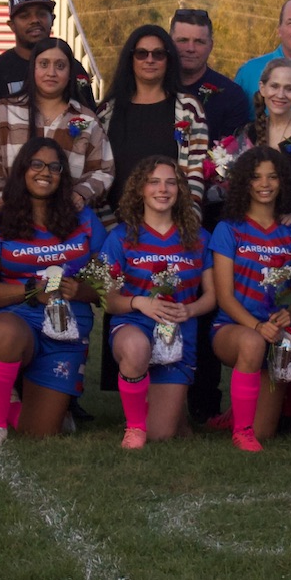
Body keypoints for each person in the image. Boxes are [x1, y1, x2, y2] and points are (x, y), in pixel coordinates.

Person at [0, 136, 104, 445]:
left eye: (54, 167)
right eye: (37, 164)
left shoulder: (83, 219)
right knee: (3, 333)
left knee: (41, 432)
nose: (45, 172)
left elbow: (106, 284)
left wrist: (79, 290)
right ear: (22, 171)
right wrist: (31, 290)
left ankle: (15, 404)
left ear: (63, 176)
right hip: (19, 318)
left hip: (66, 329)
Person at [98, 157, 214, 447]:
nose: (163, 189)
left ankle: (174, 412)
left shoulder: (199, 238)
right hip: (133, 325)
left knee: (161, 434)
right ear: (140, 190)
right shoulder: (120, 237)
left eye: (171, 182)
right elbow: (108, 300)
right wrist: (139, 303)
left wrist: (190, 309)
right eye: (154, 182)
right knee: (136, 348)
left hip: (177, 336)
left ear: (180, 190)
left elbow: (212, 297)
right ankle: (134, 427)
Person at [208, 146, 291, 452]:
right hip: (233, 329)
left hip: (276, 333)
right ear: (244, 183)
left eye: (272, 177)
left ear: (282, 182)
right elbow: (224, 296)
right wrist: (256, 326)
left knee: (267, 432)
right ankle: (242, 431)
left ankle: (237, 416)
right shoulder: (229, 229)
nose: (265, 184)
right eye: (256, 177)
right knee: (252, 343)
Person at [0, 37, 112, 212]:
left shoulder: (86, 120)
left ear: (70, 74)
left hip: (67, 220)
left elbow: (104, 169)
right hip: (13, 217)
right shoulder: (4, 112)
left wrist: (81, 194)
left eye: (60, 66)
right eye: (44, 64)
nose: (51, 72)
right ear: (33, 69)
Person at [98, 24, 211, 214]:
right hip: (115, 230)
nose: (150, 60)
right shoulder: (106, 112)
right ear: (130, 59)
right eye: (142, 53)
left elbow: (195, 173)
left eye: (158, 54)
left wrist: (187, 223)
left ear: (168, 59)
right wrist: (109, 230)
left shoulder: (189, 109)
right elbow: (97, 174)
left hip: (174, 229)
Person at [215, 59, 291, 210]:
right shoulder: (249, 132)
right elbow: (235, 181)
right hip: (252, 221)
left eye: (289, 88)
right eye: (274, 86)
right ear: (262, 88)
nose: (280, 95)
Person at [0, 0, 91, 117]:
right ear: (12, 25)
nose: (34, 20)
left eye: (41, 14)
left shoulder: (73, 68)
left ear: (53, 19)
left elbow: (88, 120)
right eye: (24, 16)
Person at [170, 8, 251, 141]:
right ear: (169, 43)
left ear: (211, 46)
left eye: (199, 42)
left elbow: (232, 154)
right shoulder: (153, 88)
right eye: (182, 40)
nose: (190, 48)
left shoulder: (231, 96)